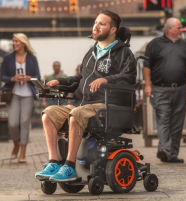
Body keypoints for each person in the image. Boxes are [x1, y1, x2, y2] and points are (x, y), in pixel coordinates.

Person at [35, 10, 136, 182]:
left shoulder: (124, 53)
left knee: (76, 115)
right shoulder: (91, 52)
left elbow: (130, 77)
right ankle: (53, 162)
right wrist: (60, 81)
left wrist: (107, 79)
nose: (96, 26)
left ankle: (70, 166)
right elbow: (80, 78)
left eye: (101, 23)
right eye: (96, 22)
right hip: (81, 104)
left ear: (112, 30)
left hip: (104, 104)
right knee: (48, 113)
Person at [143, 18, 186, 163]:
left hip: (181, 89)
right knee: (164, 119)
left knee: (177, 122)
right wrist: (147, 85)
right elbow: (146, 65)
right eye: (179, 28)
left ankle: (172, 154)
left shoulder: (185, 46)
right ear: (169, 29)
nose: (181, 30)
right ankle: (165, 150)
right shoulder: (155, 44)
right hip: (160, 89)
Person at [1, 33, 40, 163]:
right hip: (13, 93)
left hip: (28, 94)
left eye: (17, 41)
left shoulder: (32, 58)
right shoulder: (8, 58)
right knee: (12, 123)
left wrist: (28, 78)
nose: (14, 43)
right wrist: (12, 78)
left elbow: (37, 77)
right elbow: (2, 76)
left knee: (24, 122)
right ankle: (16, 143)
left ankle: (22, 152)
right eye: (13, 41)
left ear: (23, 43)